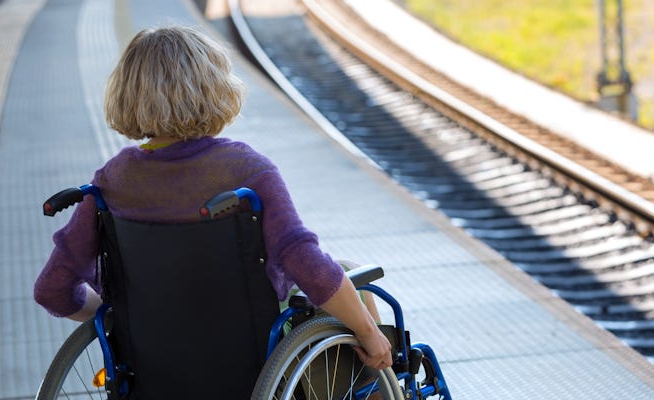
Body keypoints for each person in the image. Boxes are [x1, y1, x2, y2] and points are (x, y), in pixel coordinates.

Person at [33, 25, 391, 373]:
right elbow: (304, 262)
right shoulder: (247, 172)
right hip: (253, 356)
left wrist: (116, 315)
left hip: (156, 363)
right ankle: (380, 385)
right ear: (214, 90)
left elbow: (52, 289)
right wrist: (369, 333)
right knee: (345, 274)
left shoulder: (112, 180)